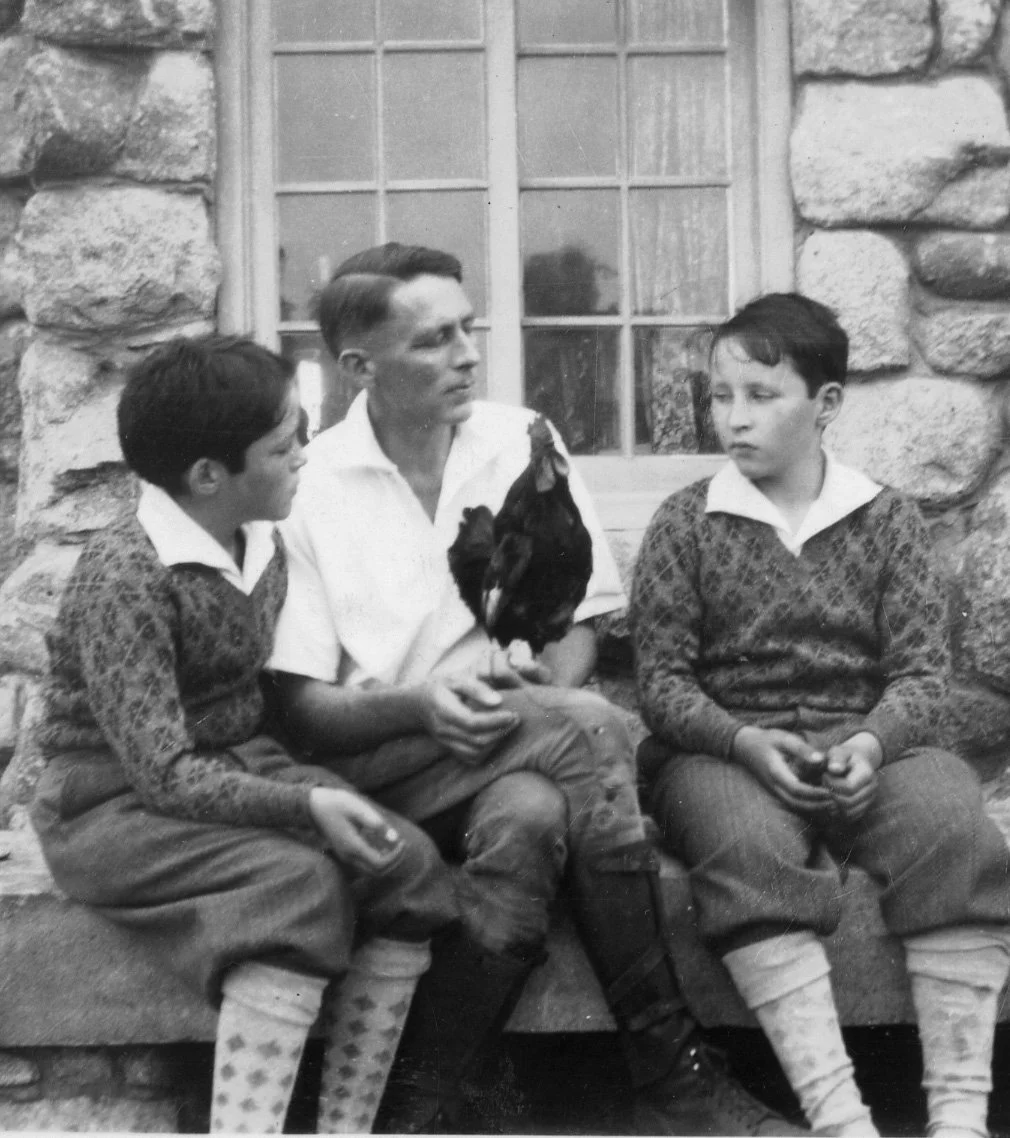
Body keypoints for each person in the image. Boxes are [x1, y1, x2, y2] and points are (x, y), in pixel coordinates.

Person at [268, 241, 805, 1135]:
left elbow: (580, 625)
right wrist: (423, 705)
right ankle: (672, 1072)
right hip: (384, 773)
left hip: (517, 751)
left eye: (467, 330)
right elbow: (303, 712)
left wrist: (538, 684)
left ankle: (423, 1102)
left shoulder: (520, 440)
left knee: (531, 818)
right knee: (591, 731)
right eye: (435, 341)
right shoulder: (309, 488)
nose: (469, 354)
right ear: (359, 367)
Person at [29, 335, 460, 1135]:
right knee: (296, 885)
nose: (305, 453)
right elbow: (160, 771)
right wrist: (305, 810)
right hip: (107, 804)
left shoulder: (262, 539)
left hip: (232, 767)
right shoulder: (125, 573)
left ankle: (345, 1126)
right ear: (207, 477)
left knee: (404, 865)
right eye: (283, 443)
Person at [631, 292, 1010, 1138]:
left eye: (762, 396)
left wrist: (874, 743)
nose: (735, 418)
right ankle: (841, 1118)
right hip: (731, 751)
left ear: (826, 404)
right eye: (721, 396)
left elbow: (920, 674)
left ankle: (958, 1113)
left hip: (867, 745)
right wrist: (741, 742)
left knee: (956, 825)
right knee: (738, 840)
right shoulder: (686, 524)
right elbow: (662, 683)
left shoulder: (886, 520)